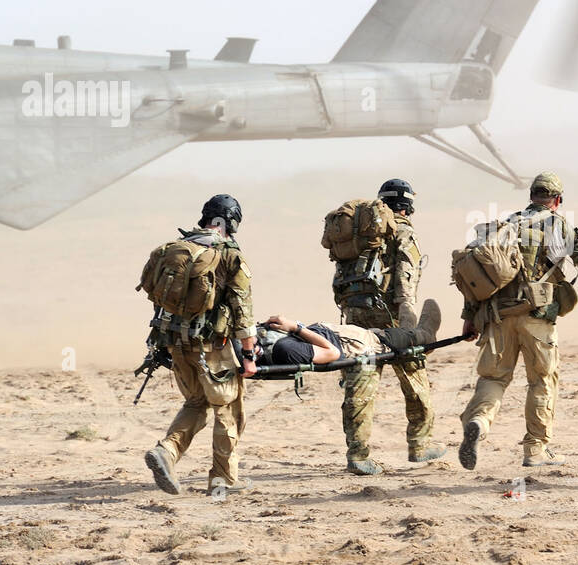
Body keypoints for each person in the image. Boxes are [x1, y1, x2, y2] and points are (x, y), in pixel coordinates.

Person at [458, 171, 578, 470]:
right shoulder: (559, 226)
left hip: (497, 318)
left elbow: (475, 277)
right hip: (537, 320)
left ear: (532, 197)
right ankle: (535, 449)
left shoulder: (503, 226)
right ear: (557, 201)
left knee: (493, 378)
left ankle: (479, 423)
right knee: (541, 381)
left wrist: (470, 317)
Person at [143, 194, 258, 496]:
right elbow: (242, 310)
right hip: (212, 347)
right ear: (231, 222)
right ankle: (223, 480)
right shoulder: (229, 254)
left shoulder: (175, 250)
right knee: (227, 409)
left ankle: (166, 451)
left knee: (195, 403)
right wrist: (248, 354)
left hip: (175, 343)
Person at [330, 178, 445, 473]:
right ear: (407, 208)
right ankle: (419, 445)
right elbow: (406, 280)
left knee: (360, 384)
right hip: (391, 316)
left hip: (354, 315)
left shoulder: (362, 232)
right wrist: (410, 325)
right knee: (415, 379)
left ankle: (358, 455)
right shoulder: (402, 232)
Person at [262, 301, 442, 474]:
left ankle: (359, 456)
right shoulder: (285, 349)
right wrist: (297, 327)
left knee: (359, 398)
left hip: (359, 339)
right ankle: (416, 446)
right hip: (366, 345)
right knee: (421, 339)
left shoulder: (266, 343)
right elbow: (332, 351)